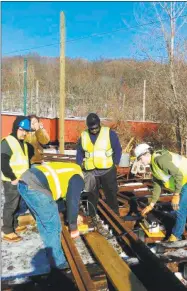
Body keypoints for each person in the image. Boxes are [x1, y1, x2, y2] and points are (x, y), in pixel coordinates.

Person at [17, 162, 84, 270]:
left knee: (43, 221)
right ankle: (59, 264)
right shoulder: (77, 179)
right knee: (53, 227)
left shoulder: (72, 168)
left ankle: (51, 252)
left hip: (24, 182)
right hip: (36, 188)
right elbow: (72, 201)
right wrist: (73, 227)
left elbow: (60, 190)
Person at [134, 143, 187, 242]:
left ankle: (176, 237)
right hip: (183, 182)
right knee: (179, 209)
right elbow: (157, 186)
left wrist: (176, 195)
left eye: (140, 159)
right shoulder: (153, 167)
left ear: (146, 154)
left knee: (180, 210)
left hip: (185, 181)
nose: (140, 162)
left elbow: (178, 175)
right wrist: (151, 205)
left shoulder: (160, 160)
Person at [76, 113, 122, 221]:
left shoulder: (109, 133)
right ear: (88, 127)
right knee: (91, 195)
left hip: (108, 170)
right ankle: (92, 216)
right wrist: (78, 165)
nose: (94, 130)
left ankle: (115, 216)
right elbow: (79, 152)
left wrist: (115, 163)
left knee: (111, 194)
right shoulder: (84, 135)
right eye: (92, 128)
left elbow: (118, 149)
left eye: (96, 128)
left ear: (99, 125)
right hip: (91, 171)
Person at [1, 116, 34, 242]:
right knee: (11, 205)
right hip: (12, 180)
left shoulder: (24, 144)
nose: (24, 133)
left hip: (22, 180)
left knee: (18, 204)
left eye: (26, 131)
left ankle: (14, 224)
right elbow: (3, 162)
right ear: (15, 128)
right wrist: (12, 177)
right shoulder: (8, 142)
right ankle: (7, 230)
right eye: (22, 130)